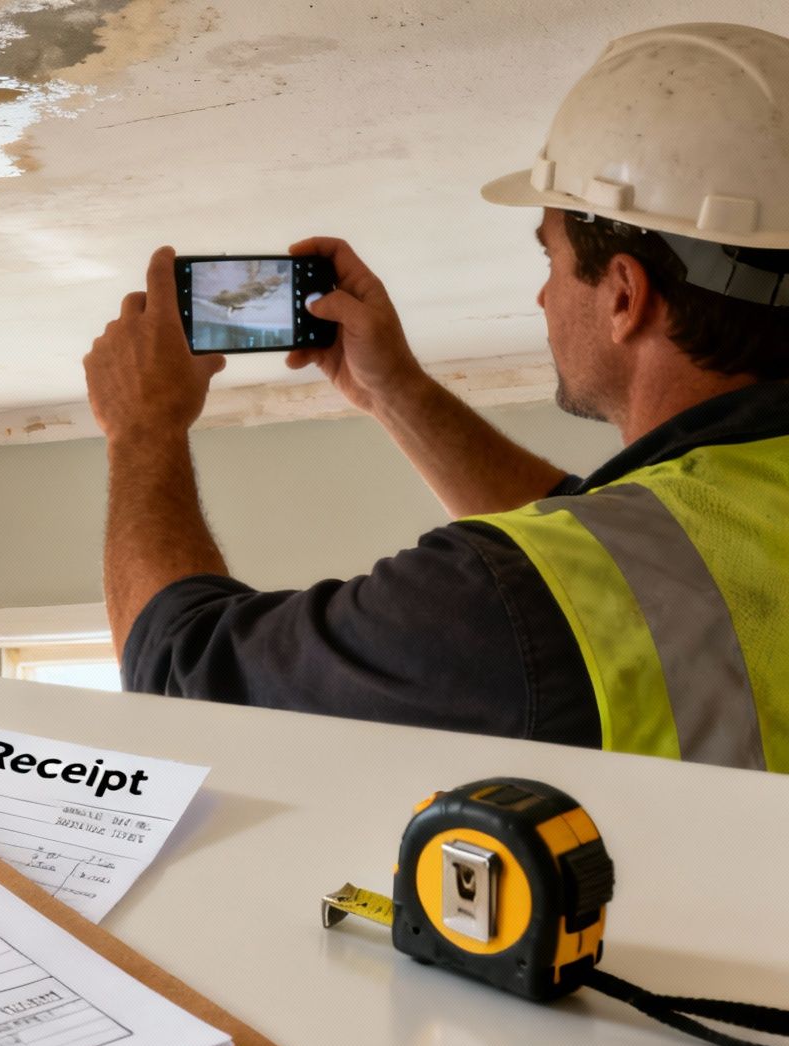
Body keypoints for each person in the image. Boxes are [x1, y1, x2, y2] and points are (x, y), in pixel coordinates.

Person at [81, 22, 789, 772]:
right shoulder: (730, 513)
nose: (543, 296)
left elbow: (179, 685)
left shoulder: (496, 598)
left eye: (550, 257)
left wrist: (144, 427)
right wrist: (396, 393)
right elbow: (625, 556)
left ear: (624, 295)